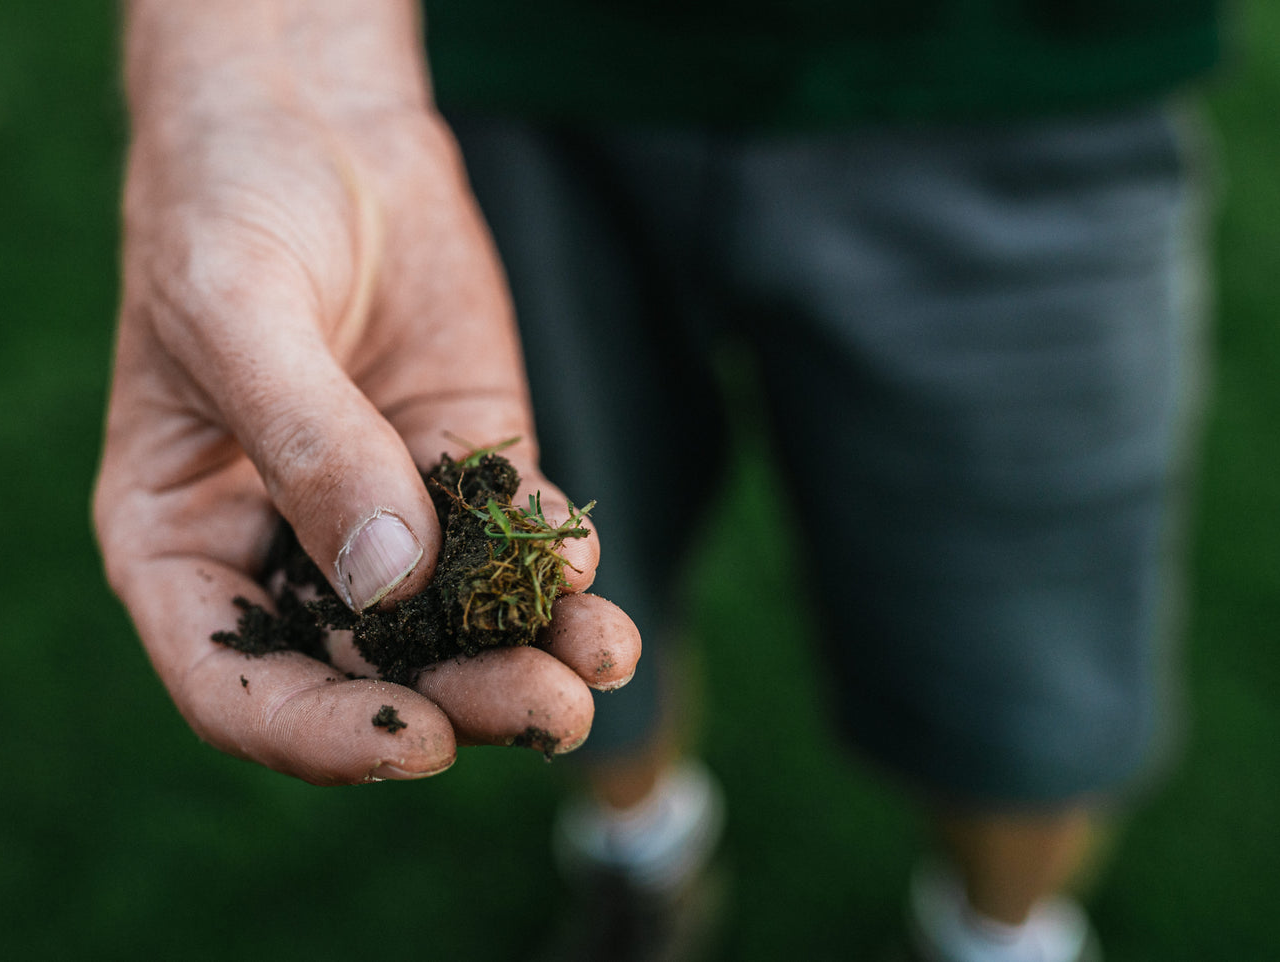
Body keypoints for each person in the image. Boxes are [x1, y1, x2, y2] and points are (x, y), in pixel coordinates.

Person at [94, 2, 1220, 960]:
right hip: (516, 71)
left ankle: (1000, 929)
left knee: (1025, 672)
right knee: (576, 592)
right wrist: (241, 64)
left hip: (1020, 70)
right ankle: (639, 852)